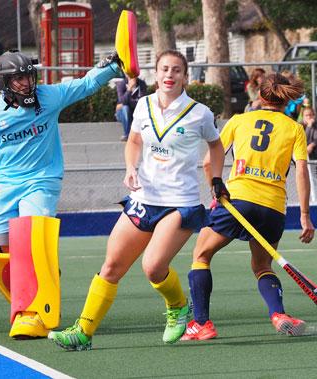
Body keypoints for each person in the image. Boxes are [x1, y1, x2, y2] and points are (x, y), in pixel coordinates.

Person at [0, 41, 137, 339]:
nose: (27, 83)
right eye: (20, 78)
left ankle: (34, 311)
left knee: (31, 238)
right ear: (4, 83)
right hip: (6, 186)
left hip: (42, 181)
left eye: (29, 76)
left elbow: (85, 85)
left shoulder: (48, 97)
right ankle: (38, 291)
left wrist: (116, 65)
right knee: (2, 253)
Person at [48, 50, 226, 351]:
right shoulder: (142, 105)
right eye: (164, 69)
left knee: (153, 267)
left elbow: (216, 144)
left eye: (176, 70)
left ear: (185, 76)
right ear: (155, 74)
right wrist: (130, 167)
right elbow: (133, 141)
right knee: (111, 267)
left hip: (179, 201)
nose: (170, 75)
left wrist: (217, 178)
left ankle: (178, 306)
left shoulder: (200, 113)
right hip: (144, 198)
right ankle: (83, 332)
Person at [182, 73, 315, 342]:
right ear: (284, 99)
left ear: (259, 95)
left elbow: (209, 162)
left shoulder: (239, 120)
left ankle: (201, 324)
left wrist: (215, 189)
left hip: (238, 200)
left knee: (201, 255)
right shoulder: (295, 128)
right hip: (273, 208)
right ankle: (278, 314)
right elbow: (301, 170)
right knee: (263, 265)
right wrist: (304, 215)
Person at [115, 74, 147, 141]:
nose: (132, 76)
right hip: (123, 114)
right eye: (129, 74)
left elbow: (142, 102)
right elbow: (123, 101)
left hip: (136, 112)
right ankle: (127, 134)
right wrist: (129, 89)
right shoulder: (121, 84)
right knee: (125, 108)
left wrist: (127, 103)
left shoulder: (141, 84)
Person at [302, 107, 317, 202]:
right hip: (307, 158)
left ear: (314, 116)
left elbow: (315, 139)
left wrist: (312, 144)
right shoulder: (301, 127)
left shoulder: (315, 126)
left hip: (315, 156)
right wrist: (308, 127)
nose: (309, 117)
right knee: (309, 179)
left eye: (310, 115)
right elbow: (304, 140)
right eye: (306, 115)